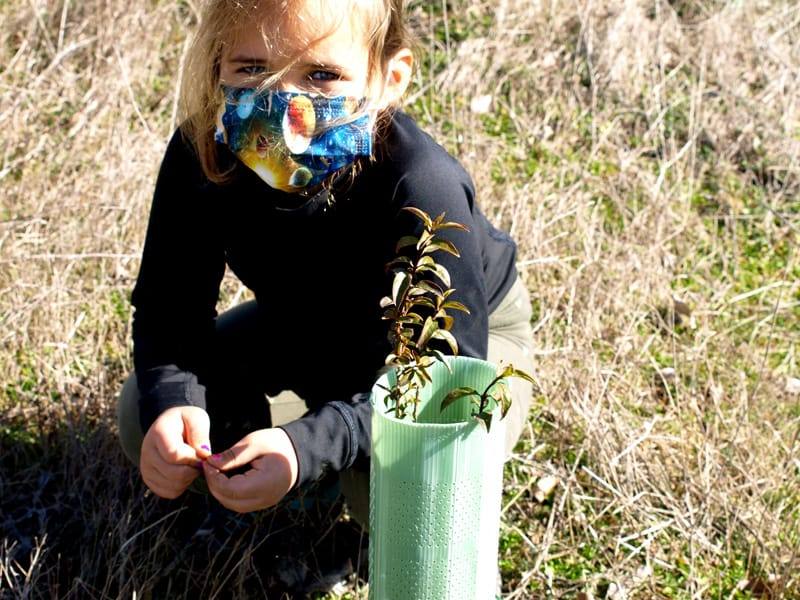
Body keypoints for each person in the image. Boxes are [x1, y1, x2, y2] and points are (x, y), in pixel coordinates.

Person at [117, 0, 534, 529]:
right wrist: (177, 402)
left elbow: (447, 385)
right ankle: (308, 491)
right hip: (307, 324)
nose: (285, 105)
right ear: (217, 65)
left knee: (415, 488)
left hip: (458, 350)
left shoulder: (421, 185)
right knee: (143, 412)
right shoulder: (204, 154)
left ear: (389, 78)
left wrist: (306, 447)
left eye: (322, 75)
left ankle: (352, 494)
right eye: (252, 69)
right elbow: (169, 309)